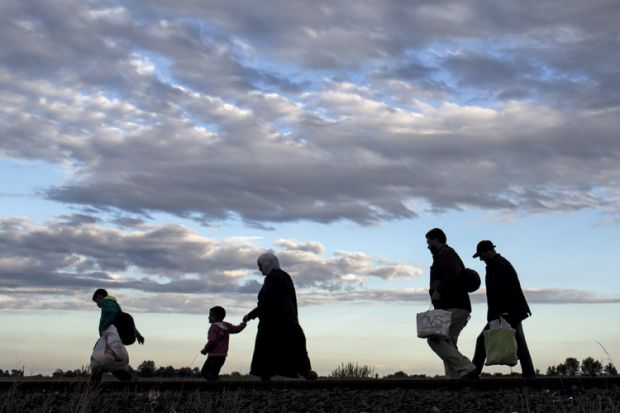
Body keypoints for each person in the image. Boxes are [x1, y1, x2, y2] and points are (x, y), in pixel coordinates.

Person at [243, 252, 317, 381]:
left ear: (267, 264)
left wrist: (251, 315)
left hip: (273, 324)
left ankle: (270, 375)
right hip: (288, 321)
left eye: (260, 265)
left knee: (270, 350)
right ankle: (301, 372)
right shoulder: (285, 276)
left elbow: (268, 302)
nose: (259, 269)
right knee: (293, 347)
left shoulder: (272, 279)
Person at [470, 240, 535, 378]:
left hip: (506, 312)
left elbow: (501, 291)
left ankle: (473, 375)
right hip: (512, 311)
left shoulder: (497, 265)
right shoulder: (500, 263)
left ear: (488, 251)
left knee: (482, 340)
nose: (481, 259)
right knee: (520, 343)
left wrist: (501, 313)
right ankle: (530, 376)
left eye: (481, 255)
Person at [425, 228, 478, 379]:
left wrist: (438, 291)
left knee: (434, 339)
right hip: (460, 306)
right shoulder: (450, 254)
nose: (428, 246)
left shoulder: (444, 254)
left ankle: (466, 368)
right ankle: (454, 379)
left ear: (436, 240)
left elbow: (450, 275)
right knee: (449, 343)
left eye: (429, 242)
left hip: (452, 305)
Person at [91, 288, 144, 382]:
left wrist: (106, 326)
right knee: (114, 365)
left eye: (97, 302)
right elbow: (123, 319)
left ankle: (92, 387)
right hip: (112, 337)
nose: (98, 305)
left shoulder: (105, 302)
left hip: (108, 335)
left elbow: (112, 313)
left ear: (100, 297)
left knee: (97, 360)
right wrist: (138, 334)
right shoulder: (115, 305)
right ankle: (130, 380)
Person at [199, 305, 246, 380]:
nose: (209, 317)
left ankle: (217, 385)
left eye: (211, 315)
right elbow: (237, 329)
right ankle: (217, 386)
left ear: (218, 317)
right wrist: (243, 323)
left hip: (213, 356)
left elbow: (212, 341)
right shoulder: (226, 325)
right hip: (222, 356)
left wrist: (205, 350)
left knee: (205, 372)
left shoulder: (213, 327)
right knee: (214, 373)